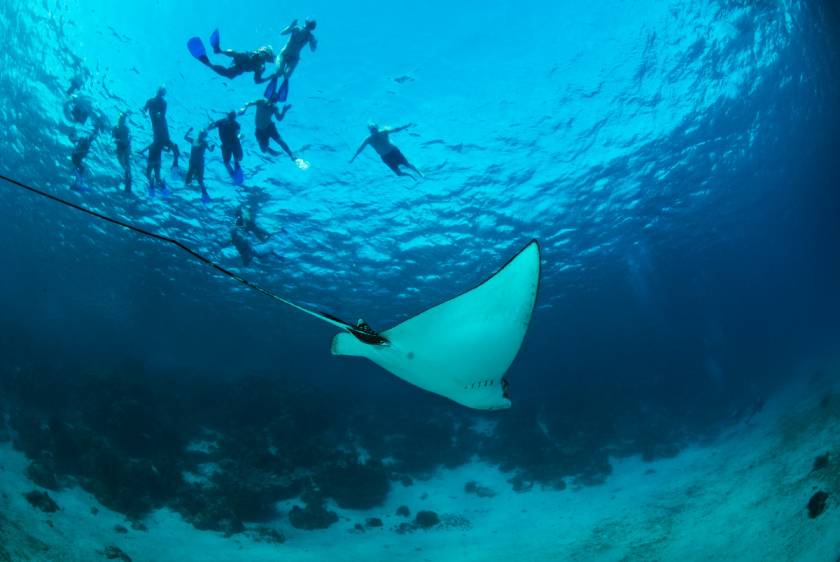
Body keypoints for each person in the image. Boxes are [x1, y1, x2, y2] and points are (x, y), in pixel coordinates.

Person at [187, 29, 275, 83]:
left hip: (241, 66)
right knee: (239, 57)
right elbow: (257, 80)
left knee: (229, 74)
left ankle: (213, 58)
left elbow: (257, 80)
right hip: (246, 60)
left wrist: (269, 77)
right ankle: (218, 52)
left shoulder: (261, 67)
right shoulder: (264, 57)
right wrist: (269, 76)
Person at [349, 123, 422, 179]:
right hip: (385, 157)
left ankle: (419, 172)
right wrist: (353, 158)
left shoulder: (384, 132)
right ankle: (410, 175)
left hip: (393, 151)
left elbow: (396, 129)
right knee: (399, 174)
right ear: (370, 131)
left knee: (407, 164)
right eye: (372, 130)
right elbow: (360, 149)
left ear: (377, 127)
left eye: (375, 128)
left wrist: (406, 126)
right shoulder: (368, 139)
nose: (374, 131)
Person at [141, 86, 180, 169]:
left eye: (162, 93)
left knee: (170, 144)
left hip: (163, 126)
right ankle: (144, 153)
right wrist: (145, 114)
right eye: (160, 92)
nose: (160, 94)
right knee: (157, 142)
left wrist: (159, 114)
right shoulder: (150, 101)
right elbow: (144, 109)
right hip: (157, 128)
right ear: (157, 91)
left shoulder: (163, 103)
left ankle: (175, 161)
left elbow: (163, 113)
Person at [208, 111, 244, 183]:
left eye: (232, 118)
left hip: (231, 144)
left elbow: (211, 127)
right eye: (231, 117)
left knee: (234, 160)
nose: (230, 119)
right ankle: (234, 174)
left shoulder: (229, 123)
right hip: (229, 145)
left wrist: (209, 126)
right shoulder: (224, 122)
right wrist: (210, 126)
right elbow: (211, 127)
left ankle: (234, 172)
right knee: (229, 161)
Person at [184, 127, 215, 202]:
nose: (201, 135)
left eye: (203, 135)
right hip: (192, 162)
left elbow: (210, 150)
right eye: (201, 134)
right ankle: (194, 189)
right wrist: (188, 130)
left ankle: (204, 193)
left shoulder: (204, 143)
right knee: (187, 180)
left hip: (199, 163)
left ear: (204, 136)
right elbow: (185, 137)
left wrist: (213, 147)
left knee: (200, 179)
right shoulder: (194, 140)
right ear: (199, 134)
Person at [112, 112, 132, 192]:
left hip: (124, 147)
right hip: (122, 147)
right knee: (125, 164)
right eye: (121, 118)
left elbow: (125, 139)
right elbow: (113, 138)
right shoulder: (116, 128)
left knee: (125, 163)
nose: (121, 120)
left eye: (122, 119)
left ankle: (127, 178)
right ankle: (127, 177)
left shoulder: (123, 128)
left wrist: (118, 140)